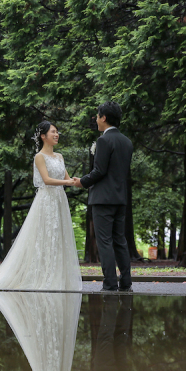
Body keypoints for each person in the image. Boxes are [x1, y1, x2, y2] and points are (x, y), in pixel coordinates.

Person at [0, 120, 81, 291]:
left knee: (58, 235)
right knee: (45, 235)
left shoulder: (59, 157)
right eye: (53, 132)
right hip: (46, 200)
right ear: (43, 136)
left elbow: (67, 178)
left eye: (57, 132)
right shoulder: (39, 157)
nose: (56, 135)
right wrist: (68, 182)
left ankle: (57, 277)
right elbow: (47, 180)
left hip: (59, 199)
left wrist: (79, 181)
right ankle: (42, 276)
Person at [71, 102, 133, 292]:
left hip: (103, 199)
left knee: (104, 241)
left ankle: (110, 283)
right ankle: (126, 282)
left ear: (104, 118)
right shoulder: (127, 141)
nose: (96, 119)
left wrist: (82, 181)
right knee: (120, 240)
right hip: (120, 198)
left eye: (98, 116)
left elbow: (99, 171)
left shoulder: (104, 141)